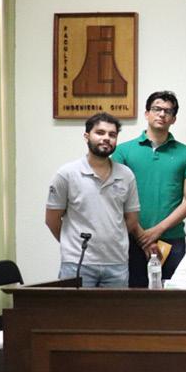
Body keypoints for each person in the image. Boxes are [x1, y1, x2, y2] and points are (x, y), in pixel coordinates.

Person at [45, 113, 144, 287]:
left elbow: (132, 220)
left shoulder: (126, 175)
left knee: (115, 307)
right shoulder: (67, 174)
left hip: (117, 264)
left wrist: (112, 238)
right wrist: (71, 243)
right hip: (77, 262)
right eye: (100, 132)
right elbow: (52, 219)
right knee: (73, 307)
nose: (106, 138)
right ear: (86, 136)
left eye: (112, 135)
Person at [113, 91, 186, 287]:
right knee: (132, 297)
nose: (162, 114)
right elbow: (116, 197)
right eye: (157, 109)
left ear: (174, 119)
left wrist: (157, 231)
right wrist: (141, 235)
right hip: (130, 237)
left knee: (171, 298)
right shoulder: (123, 151)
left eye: (168, 111)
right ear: (147, 114)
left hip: (172, 240)